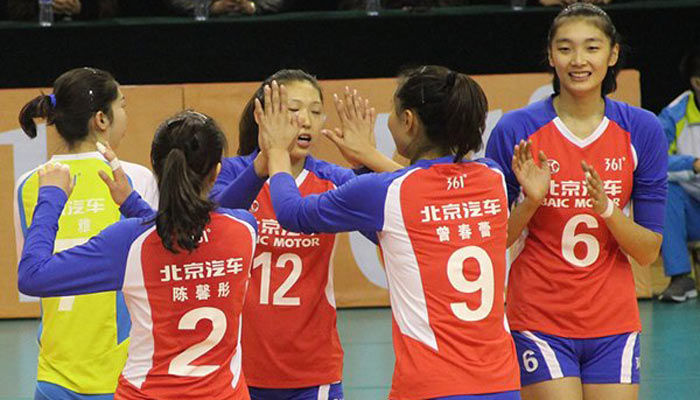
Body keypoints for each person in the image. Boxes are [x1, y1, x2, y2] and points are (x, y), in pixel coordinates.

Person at [107, 69, 398, 400]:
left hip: (310, 369)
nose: (305, 121)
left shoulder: (332, 179)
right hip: (236, 369)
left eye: (316, 112)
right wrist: (264, 164)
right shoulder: (227, 171)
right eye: (293, 109)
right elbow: (199, 226)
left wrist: (366, 166)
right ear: (262, 115)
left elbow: (392, 230)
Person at [259, 66, 521, 400]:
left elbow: (291, 212)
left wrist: (277, 150)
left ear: (408, 121)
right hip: (501, 383)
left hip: (430, 386)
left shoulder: (384, 193)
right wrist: (367, 158)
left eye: (394, 113)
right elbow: (428, 185)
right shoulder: (492, 178)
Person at [485, 3, 667, 400]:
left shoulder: (642, 129)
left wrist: (608, 210)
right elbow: (491, 241)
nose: (578, 60)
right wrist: (530, 202)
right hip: (539, 317)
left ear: (612, 54)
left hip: (614, 321)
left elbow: (648, 251)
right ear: (550, 56)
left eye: (591, 47)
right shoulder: (517, 129)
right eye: (565, 48)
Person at [18, 111, 257, 399]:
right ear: (216, 172)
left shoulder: (130, 242)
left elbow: (33, 276)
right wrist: (132, 202)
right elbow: (188, 234)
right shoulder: (245, 229)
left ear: (157, 169)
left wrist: (51, 197)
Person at [13, 67, 158, 400]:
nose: (126, 115)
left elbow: (31, 270)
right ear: (101, 120)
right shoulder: (134, 180)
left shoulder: (29, 184)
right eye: (122, 105)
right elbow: (155, 267)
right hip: (122, 376)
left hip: (53, 375)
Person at [657, 45, 700, 302]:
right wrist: (692, 164)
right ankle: (681, 277)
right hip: (693, 211)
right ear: (696, 82)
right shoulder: (674, 115)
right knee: (665, 189)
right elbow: (654, 161)